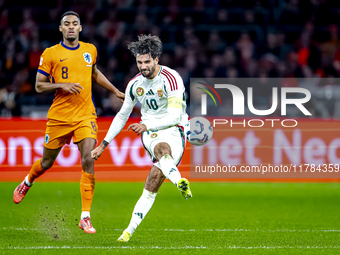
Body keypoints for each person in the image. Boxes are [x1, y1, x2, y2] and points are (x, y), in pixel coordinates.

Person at [13, 11, 125, 234]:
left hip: (85, 115)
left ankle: (85, 216)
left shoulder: (89, 50)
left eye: (75, 24)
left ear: (80, 28)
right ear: (61, 29)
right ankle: (27, 181)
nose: (71, 27)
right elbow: (38, 86)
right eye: (67, 24)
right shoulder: (51, 53)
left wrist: (114, 90)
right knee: (46, 163)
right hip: (60, 117)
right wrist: (61, 85)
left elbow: (93, 73)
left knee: (88, 158)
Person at [91, 34, 192, 242]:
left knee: (152, 182)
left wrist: (146, 125)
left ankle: (130, 227)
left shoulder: (171, 79)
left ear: (156, 59)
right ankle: (179, 182)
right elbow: (122, 115)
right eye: (139, 62)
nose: (143, 66)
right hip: (152, 133)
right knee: (162, 150)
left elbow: (173, 117)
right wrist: (103, 145)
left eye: (147, 61)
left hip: (175, 129)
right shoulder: (134, 85)